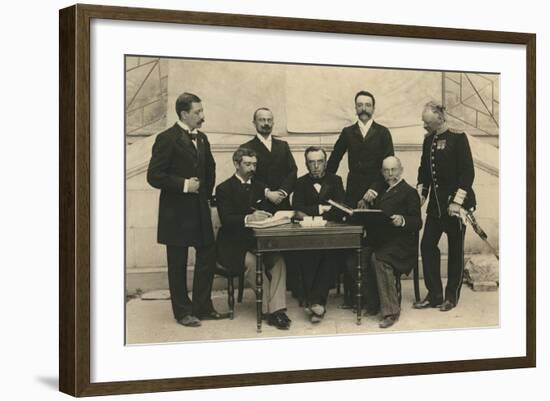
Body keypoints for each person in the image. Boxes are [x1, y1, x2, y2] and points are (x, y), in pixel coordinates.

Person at [147, 92, 229, 327]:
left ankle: (202, 306)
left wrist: (204, 193)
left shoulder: (202, 138)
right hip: (176, 214)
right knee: (178, 263)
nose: (202, 116)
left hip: (199, 210)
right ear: (184, 113)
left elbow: (210, 169)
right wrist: (184, 185)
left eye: (202, 111)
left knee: (207, 256)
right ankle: (182, 312)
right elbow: (154, 176)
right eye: (198, 112)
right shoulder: (166, 138)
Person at [326, 90, 394, 308]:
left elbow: (389, 165)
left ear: (374, 108)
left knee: (374, 240)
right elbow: (334, 160)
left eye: (368, 105)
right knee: (352, 241)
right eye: (360, 105)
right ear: (355, 108)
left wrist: (374, 190)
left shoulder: (383, 133)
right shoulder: (347, 132)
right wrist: (329, 189)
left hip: (378, 192)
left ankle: (374, 296)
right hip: (353, 193)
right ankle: (352, 298)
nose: (364, 108)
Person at [215, 147, 291, 330]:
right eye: (247, 164)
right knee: (252, 263)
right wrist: (249, 218)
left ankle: (276, 309)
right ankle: (270, 311)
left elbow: (268, 213)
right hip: (233, 246)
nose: (252, 168)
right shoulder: (223, 188)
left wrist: (271, 217)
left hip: (259, 242)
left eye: (254, 165)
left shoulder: (260, 187)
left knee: (279, 261)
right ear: (236, 164)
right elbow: (226, 219)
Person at [414, 101, 476, 312]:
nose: (424, 126)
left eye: (427, 122)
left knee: (455, 251)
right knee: (427, 246)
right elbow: (424, 170)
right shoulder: (428, 140)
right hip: (436, 206)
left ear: (439, 119)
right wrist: (421, 195)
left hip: (456, 206)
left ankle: (451, 296)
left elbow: (467, 173)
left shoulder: (458, 138)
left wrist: (457, 202)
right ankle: (434, 295)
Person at [364, 156, 422, 328]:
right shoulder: (381, 191)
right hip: (382, 240)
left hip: (402, 244)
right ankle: (374, 303)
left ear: (401, 169)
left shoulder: (409, 192)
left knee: (379, 259)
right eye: (386, 171)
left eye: (393, 170)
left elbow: (418, 222)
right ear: (382, 173)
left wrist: (403, 220)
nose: (390, 174)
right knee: (357, 258)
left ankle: (391, 311)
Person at [291, 146, 346, 323]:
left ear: (326, 162)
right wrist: (322, 208)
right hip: (308, 235)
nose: (316, 166)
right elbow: (297, 209)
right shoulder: (300, 183)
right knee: (307, 255)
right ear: (306, 165)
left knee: (331, 256)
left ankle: (314, 302)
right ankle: (317, 304)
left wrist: (311, 211)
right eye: (311, 162)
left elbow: (341, 208)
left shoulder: (336, 180)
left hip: (331, 235)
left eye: (319, 162)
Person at [241, 107, 297, 213]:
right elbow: (246, 175)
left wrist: (282, 192)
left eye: (269, 120)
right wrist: (267, 193)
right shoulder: (246, 148)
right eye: (262, 120)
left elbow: (292, 171)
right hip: (259, 205)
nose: (266, 123)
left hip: (282, 204)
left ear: (273, 123)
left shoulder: (283, 146)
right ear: (254, 123)